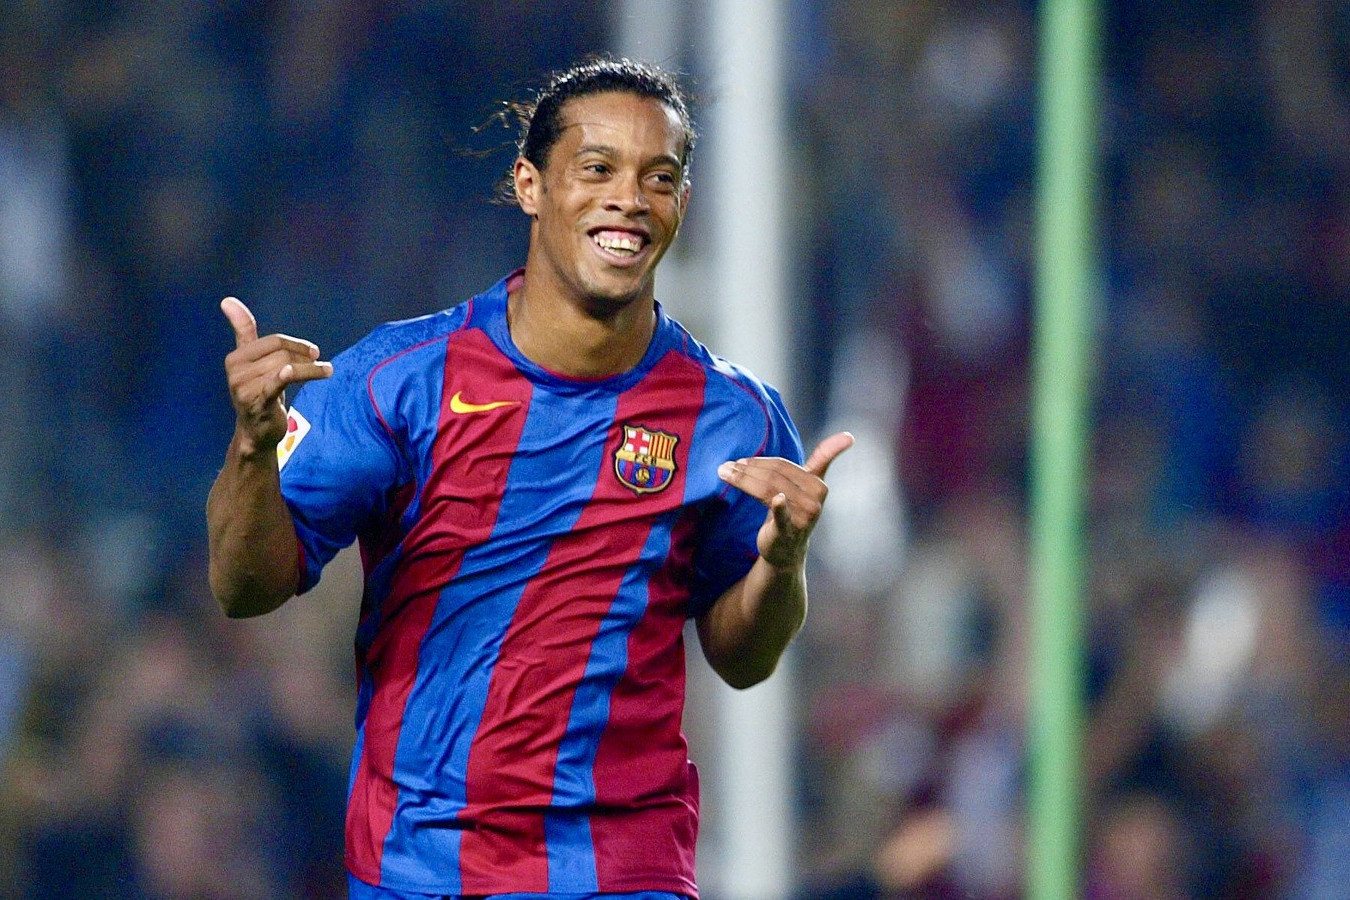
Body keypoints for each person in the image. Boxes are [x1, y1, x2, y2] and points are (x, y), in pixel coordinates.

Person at [206, 56, 852, 900]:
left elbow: (743, 659)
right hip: (423, 866)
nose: (630, 198)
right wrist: (252, 450)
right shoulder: (399, 380)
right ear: (530, 185)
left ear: (683, 204)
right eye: (598, 169)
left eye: (659, 178)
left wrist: (781, 564)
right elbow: (244, 588)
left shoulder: (736, 417)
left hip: (625, 869)